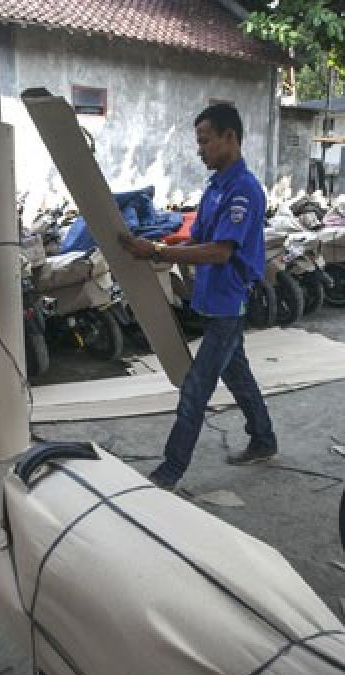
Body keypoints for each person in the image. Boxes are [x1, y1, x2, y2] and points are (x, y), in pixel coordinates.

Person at [119, 104, 277, 491]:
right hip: (211, 299)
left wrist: (157, 254)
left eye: (205, 141)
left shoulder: (243, 190)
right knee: (238, 374)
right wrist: (157, 247)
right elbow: (197, 240)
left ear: (229, 137)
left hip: (229, 303)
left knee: (195, 388)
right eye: (199, 142)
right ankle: (264, 440)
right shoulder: (216, 187)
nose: (199, 150)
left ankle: (169, 472)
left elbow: (220, 251)